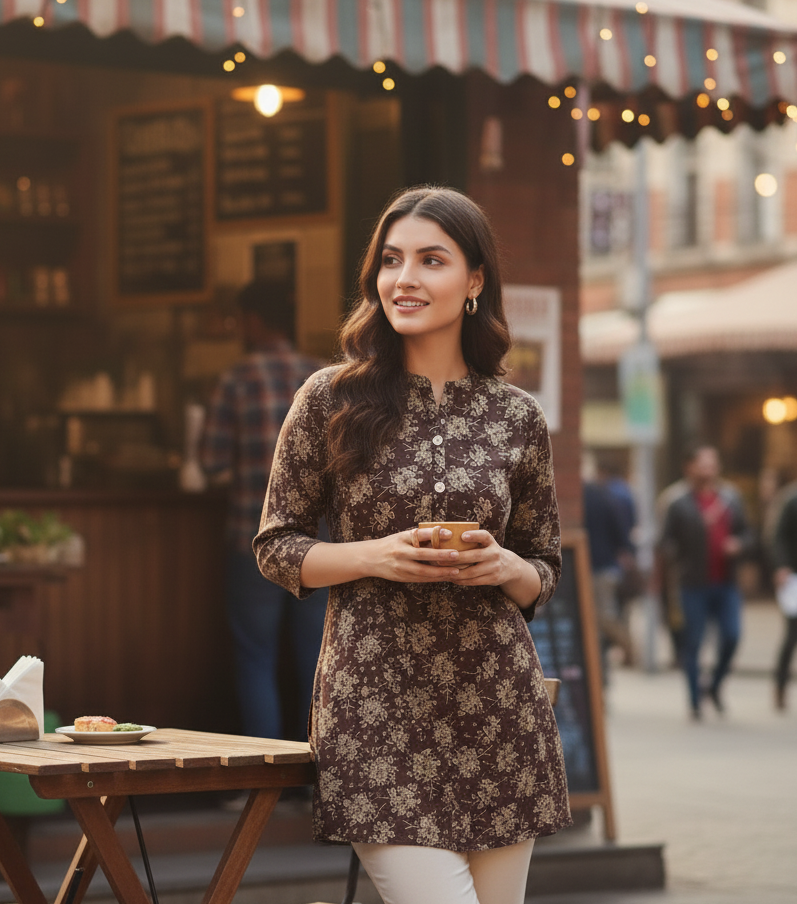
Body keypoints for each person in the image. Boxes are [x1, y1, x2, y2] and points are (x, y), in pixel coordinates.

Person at [254, 186, 571, 904]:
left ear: (474, 281)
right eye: (391, 260)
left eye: (431, 260)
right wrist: (374, 556)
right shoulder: (329, 398)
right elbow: (276, 546)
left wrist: (505, 566)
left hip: (497, 707)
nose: (405, 279)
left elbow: (543, 569)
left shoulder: (516, 416)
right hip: (374, 705)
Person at [200, 280, 327, 745]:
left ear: (252, 321)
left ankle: (263, 782)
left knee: (256, 656)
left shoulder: (236, 380)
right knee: (318, 657)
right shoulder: (323, 377)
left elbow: (210, 461)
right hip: (320, 545)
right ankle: (316, 775)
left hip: (252, 537)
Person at [660, 446, 751, 720]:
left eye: (712, 464)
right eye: (703, 464)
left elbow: (748, 533)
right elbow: (665, 543)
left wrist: (739, 544)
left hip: (726, 583)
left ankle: (714, 685)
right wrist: (683, 551)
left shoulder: (731, 498)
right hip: (693, 584)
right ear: (690, 468)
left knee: (732, 636)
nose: (708, 470)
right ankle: (695, 700)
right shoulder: (677, 502)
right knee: (694, 643)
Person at [770, 482, 797, 711]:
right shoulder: (791, 499)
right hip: (794, 578)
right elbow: (778, 537)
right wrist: (782, 567)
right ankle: (780, 686)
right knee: (792, 635)